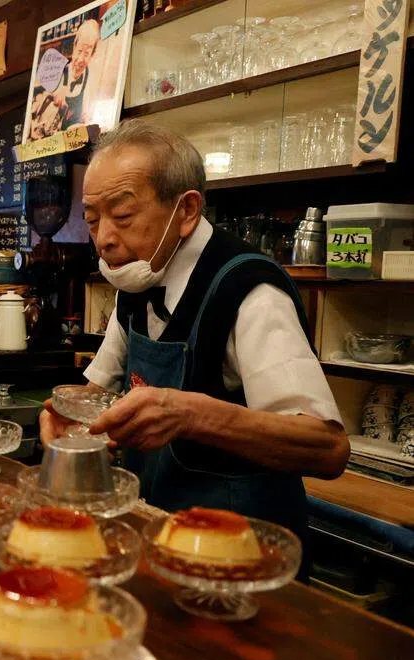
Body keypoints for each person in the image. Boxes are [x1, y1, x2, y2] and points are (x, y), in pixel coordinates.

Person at [40, 121, 348, 550]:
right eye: (93, 221)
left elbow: (327, 448)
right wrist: (66, 413)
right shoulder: (139, 276)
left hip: (246, 557)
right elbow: (94, 392)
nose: (104, 241)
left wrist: (192, 415)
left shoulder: (249, 289)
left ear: (185, 211)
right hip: (161, 539)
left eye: (123, 216)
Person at [51, 18, 100, 130]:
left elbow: (88, 112)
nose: (81, 59)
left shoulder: (90, 78)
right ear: (74, 47)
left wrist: (87, 116)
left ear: (92, 55)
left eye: (87, 54)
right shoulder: (60, 72)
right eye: (79, 51)